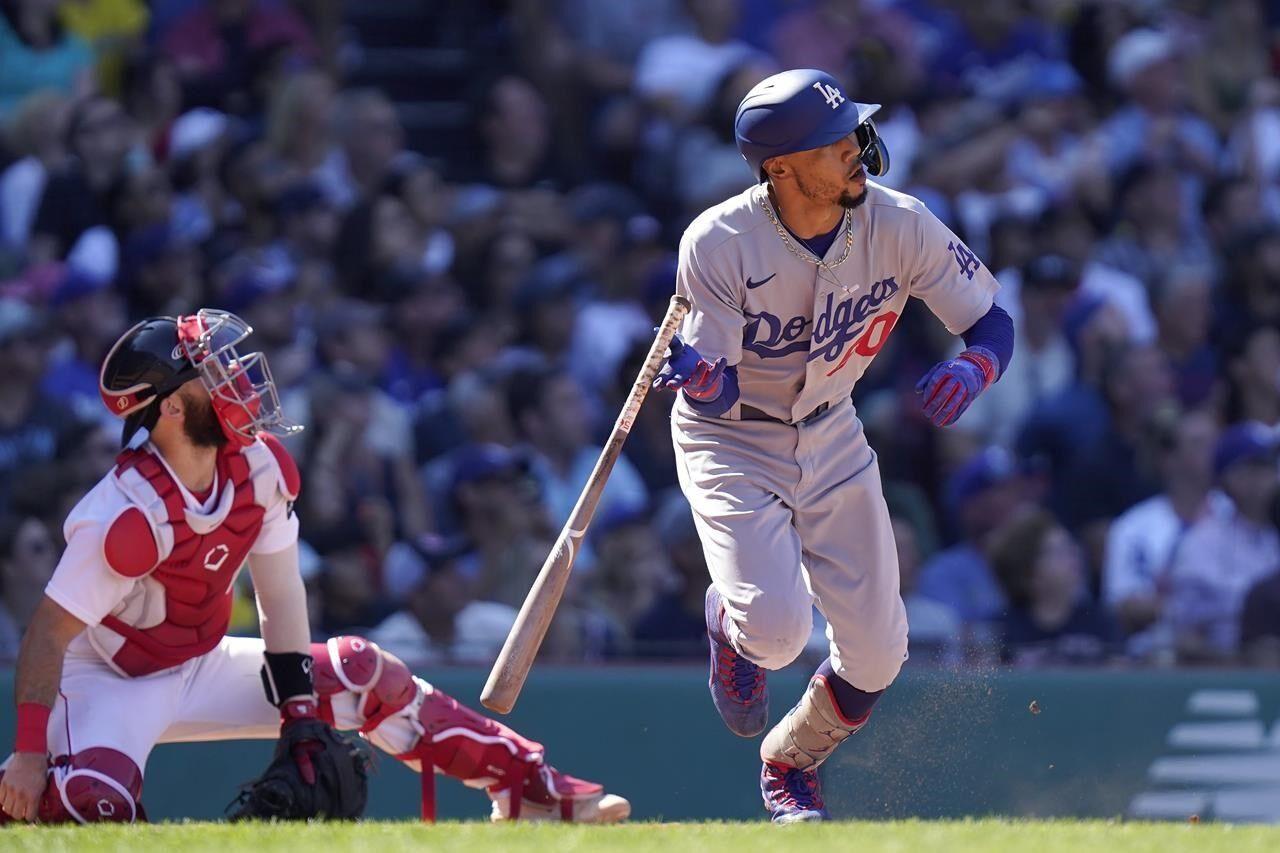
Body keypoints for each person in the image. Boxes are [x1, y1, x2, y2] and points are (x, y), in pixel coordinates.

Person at [0, 309, 628, 824]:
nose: (237, 383)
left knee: (363, 672)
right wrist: (30, 753)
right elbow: (46, 636)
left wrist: (300, 710)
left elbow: (280, 594)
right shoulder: (123, 513)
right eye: (213, 374)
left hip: (200, 661)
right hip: (110, 678)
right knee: (92, 804)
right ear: (168, 409)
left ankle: (529, 789)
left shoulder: (258, 465)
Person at [655, 69, 1013, 822]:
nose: (854, 146)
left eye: (851, 129)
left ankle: (792, 759)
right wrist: (696, 378)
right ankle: (731, 620)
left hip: (831, 428)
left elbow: (992, 322)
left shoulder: (900, 221)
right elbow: (718, 391)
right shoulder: (718, 241)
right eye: (832, 140)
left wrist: (976, 367)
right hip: (731, 439)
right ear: (779, 167)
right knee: (778, 635)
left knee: (880, 653)